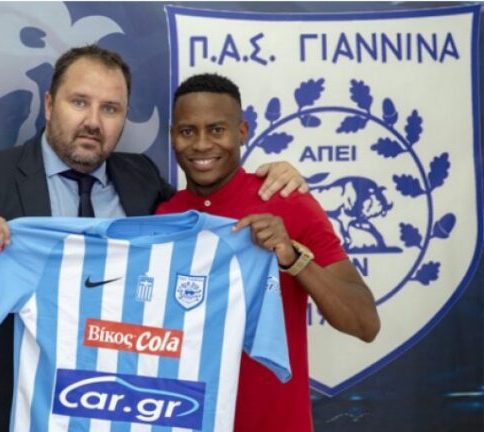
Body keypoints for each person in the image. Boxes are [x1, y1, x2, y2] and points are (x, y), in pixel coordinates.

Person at [0, 46, 307, 431]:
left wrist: (265, 179)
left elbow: (204, 226)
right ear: (49, 105)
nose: (93, 122)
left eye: (110, 109)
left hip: (107, 412)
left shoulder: (141, 180)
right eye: (79, 102)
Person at [156, 73, 381, 432]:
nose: (201, 144)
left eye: (217, 130)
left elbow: (365, 323)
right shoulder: (163, 217)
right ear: (172, 136)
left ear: (242, 131)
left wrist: (293, 257)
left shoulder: (289, 202)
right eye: (187, 131)